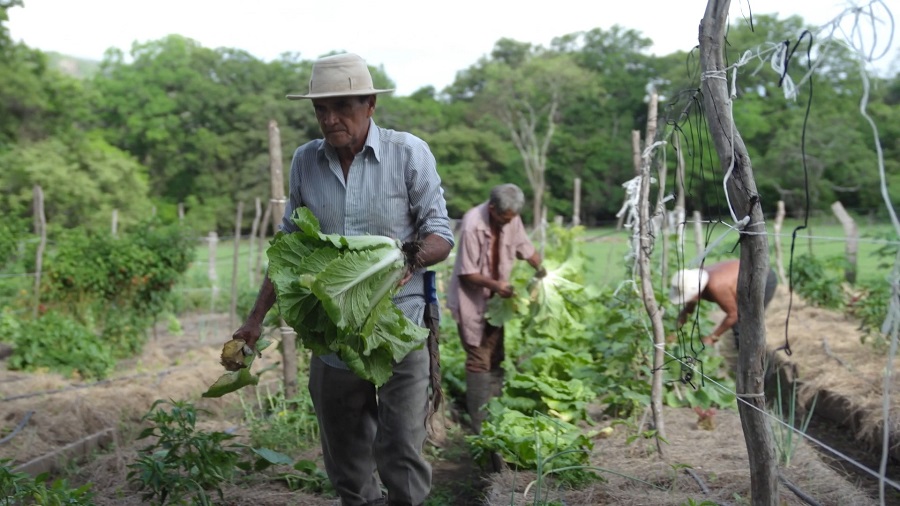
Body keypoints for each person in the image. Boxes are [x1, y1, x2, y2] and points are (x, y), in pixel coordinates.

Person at [232, 53, 454, 506]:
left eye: (343, 107)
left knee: (401, 452)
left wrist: (402, 260)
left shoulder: (408, 152)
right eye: (320, 110)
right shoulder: (305, 162)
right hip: (334, 334)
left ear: (370, 104)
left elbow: (441, 236)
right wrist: (254, 320)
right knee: (347, 460)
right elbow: (290, 248)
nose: (330, 120)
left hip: (400, 326)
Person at [446, 183, 544, 434]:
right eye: (502, 218)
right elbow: (467, 273)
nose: (506, 223)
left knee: (496, 357)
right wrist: (497, 285)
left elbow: (524, 247)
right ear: (492, 209)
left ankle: (496, 420)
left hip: (497, 305)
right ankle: (480, 428)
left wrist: (540, 267)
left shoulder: (511, 219)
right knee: (479, 360)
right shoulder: (472, 224)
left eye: (510, 219)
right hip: (472, 301)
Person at [670, 259, 778, 346]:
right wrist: (675, 332)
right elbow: (688, 310)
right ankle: (742, 356)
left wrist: (713, 337)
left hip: (762, 278)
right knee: (740, 323)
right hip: (745, 281)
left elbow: (733, 314)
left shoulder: (716, 286)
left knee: (746, 321)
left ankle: (753, 361)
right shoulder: (694, 281)